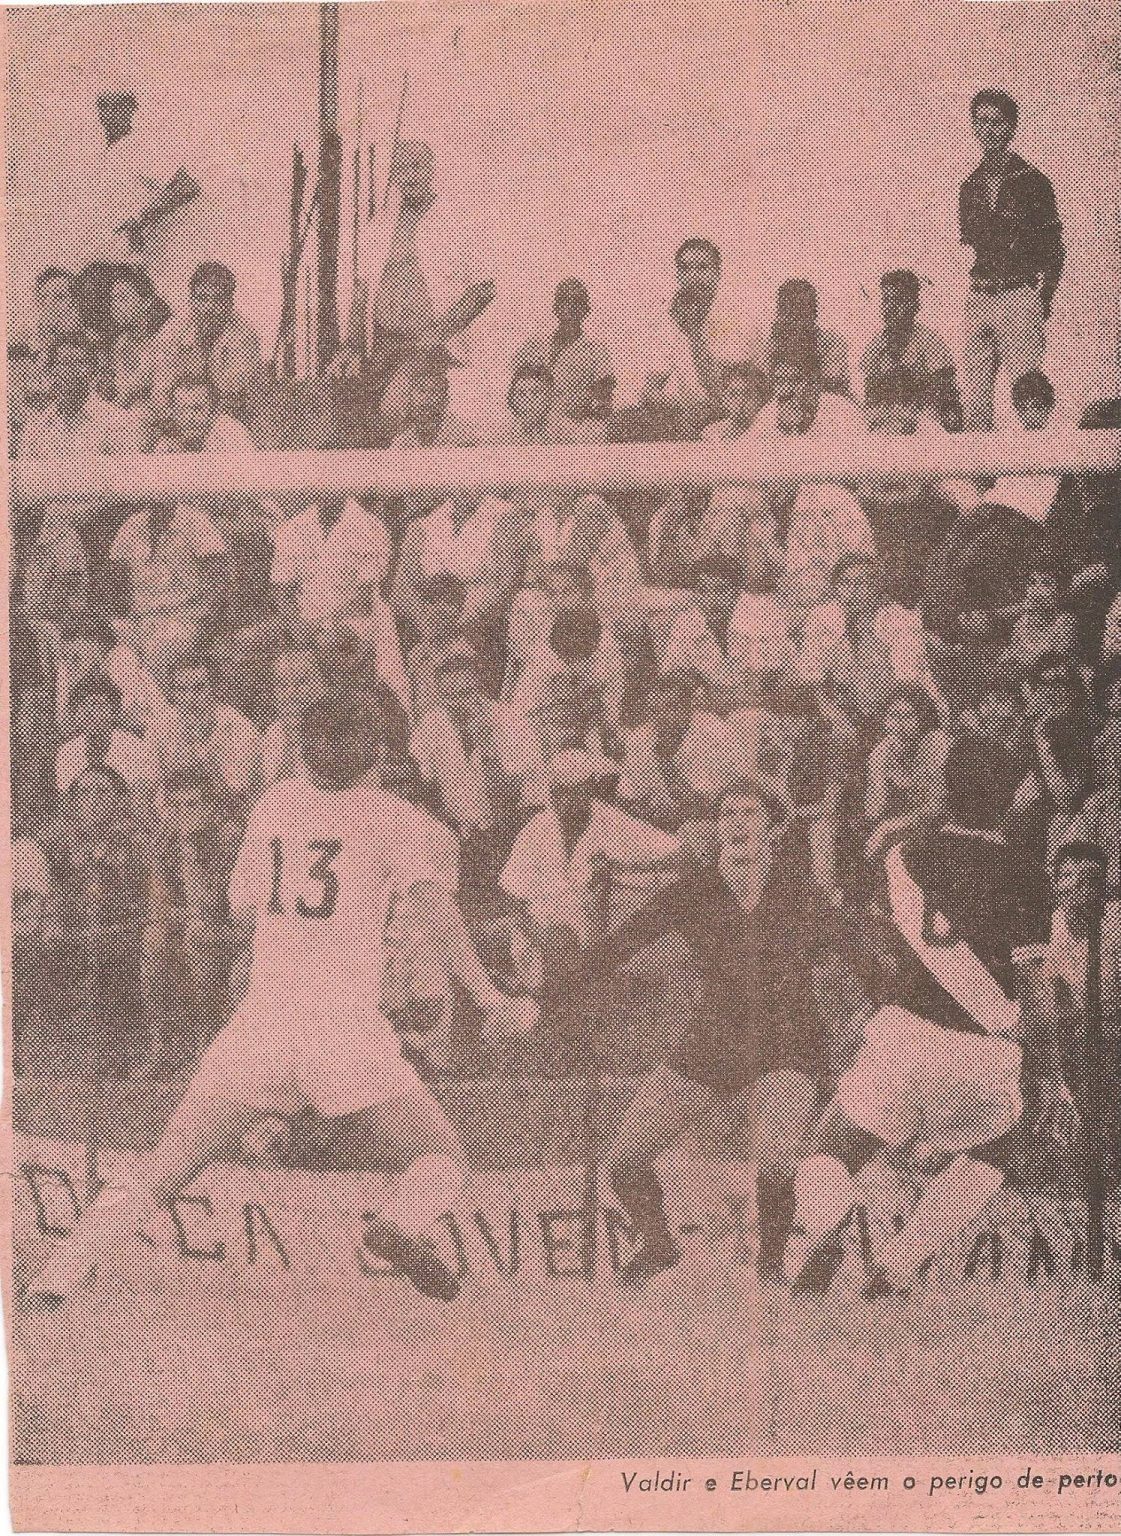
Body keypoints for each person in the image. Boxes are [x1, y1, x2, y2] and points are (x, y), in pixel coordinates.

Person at [21, 691, 538, 1312]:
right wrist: (492, 999)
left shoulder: (276, 805)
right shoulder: (399, 821)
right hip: (344, 1025)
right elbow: (439, 924)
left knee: (169, 1162)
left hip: (263, 1020)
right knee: (440, 1155)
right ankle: (401, 1221)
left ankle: (62, 1271)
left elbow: (240, 909)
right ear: (376, 751)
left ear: (307, 749)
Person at [557, 782, 893, 1283]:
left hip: (786, 1040)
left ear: (772, 829)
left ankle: (773, 1267)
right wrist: (555, 992)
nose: (736, 823)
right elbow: (619, 945)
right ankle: (659, 1245)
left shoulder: (800, 893)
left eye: (748, 814)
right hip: (714, 1037)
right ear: (716, 829)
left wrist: (884, 1011)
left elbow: (859, 956)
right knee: (624, 1160)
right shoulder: (694, 891)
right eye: (727, 814)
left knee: (777, 1162)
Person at [362, 140, 496, 430]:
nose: (410, 175)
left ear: (431, 170)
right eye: (402, 168)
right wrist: (351, 343)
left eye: (417, 167)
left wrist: (440, 331)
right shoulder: (380, 223)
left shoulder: (456, 219)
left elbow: (484, 288)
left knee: (397, 411)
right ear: (394, 175)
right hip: (383, 345)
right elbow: (363, 287)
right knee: (366, 421)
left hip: (429, 347)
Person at [959, 90, 1064, 429]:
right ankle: (979, 466)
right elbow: (973, 245)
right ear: (974, 126)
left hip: (1019, 295)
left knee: (1028, 396)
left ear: (1012, 127)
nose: (988, 130)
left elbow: (1054, 247)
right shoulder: (970, 186)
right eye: (981, 122)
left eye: (997, 122)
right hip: (980, 297)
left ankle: (1034, 465)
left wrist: (1043, 297)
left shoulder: (1033, 181)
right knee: (975, 402)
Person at [79, 89, 202, 316]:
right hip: (108, 265)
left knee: (145, 324)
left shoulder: (139, 147)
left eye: (118, 105)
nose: (110, 112)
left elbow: (187, 187)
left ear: (131, 109)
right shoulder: (104, 155)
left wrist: (143, 218)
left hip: (137, 267)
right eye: (104, 105)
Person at [620, 237, 747, 435]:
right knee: (623, 421)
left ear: (717, 273)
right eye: (686, 269)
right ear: (678, 275)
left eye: (702, 268)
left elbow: (729, 392)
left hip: (737, 418)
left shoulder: (734, 318)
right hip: (690, 419)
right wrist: (677, 407)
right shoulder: (669, 323)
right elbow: (650, 392)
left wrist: (694, 334)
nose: (693, 277)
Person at [151, 262, 262, 419]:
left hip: (227, 417)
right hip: (179, 414)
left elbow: (231, 395)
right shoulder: (174, 331)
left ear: (230, 303)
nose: (209, 307)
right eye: (202, 298)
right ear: (191, 300)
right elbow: (161, 391)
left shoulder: (244, 337)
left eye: (218, 299)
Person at [16, 330, 145, 460]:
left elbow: (125, 469)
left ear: (92, 371)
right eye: (63, 363)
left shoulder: (115, 422)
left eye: (79, 363)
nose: (70, 371)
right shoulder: (36, 428)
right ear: (52, 371)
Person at [861, 270, 960, 430]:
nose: (891, 308)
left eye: (899, 301)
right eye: (886, 300)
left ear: (915, 305)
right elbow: (871, 400)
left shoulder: (930, 343)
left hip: (927, 424)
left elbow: (947, 398)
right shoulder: (875, 348)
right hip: (890, 423)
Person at [510, 278, 615, 422]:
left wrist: (583, 410)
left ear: (586, 310)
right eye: (564, 301)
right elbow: (513, 394)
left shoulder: (596, 352)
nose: (570, 308)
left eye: (577, 302)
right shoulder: (534, 346)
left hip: (574, 428)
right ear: (555, 307)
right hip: (532, 426)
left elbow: (604, 405)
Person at [55, 674, 147, 796]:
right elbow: (66, 799)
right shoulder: (67, 752)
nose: (89, 712)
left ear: (114, 712)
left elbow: (141, 797)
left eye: (97, 705)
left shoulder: (134, 747)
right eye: (82, 706)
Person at [756, 279, 850, 396]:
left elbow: (832, 386)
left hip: (825, 403)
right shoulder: (769, 346)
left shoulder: (831, 344)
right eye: (788, 310)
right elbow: (765, 386)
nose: (795, 317)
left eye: (801, 309)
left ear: (813, 313)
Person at [153, 375, 257, 454]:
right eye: (181, 410)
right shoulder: (171, 437)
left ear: (213, 411)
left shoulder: (230, 434)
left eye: (197, 409)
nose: (189, 418)